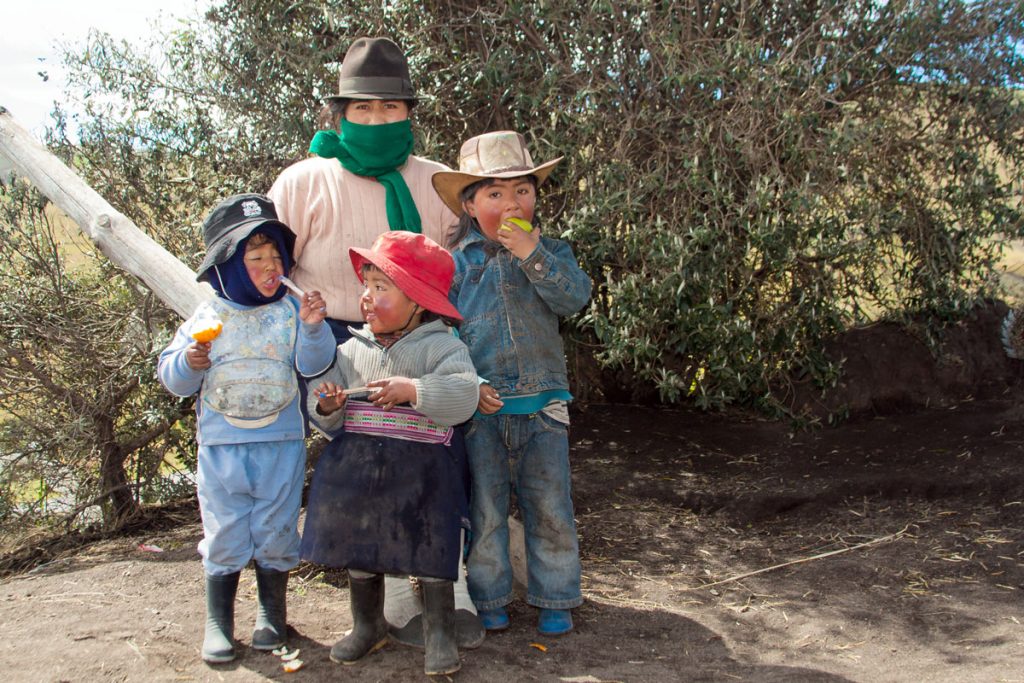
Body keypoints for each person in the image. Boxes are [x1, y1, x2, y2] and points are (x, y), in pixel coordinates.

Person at [267, 36, 484, 649]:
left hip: (424, 336)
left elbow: (457, 263)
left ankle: (454, 586)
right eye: (362, 109)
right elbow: (273, 274)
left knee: (437, 459)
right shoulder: (304, 181)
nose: (376, 118)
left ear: (409, 113)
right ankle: (386, 602)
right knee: (359, 475)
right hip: (337, 340)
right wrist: (309, 343)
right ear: (340, 114)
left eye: (389, 108)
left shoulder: (435, 180)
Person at [157, 194, 336, 663]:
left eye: (275, 256)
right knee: (226, 531)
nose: (269, 265)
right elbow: (174, 380)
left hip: (280, 443)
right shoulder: (208, 314)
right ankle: (219, 623)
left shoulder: (290, 312)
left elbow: (313, 365)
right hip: (221, 447)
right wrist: (191, 362)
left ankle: (270, 618)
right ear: (228, 266)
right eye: (255, 258)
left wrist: (315, 328)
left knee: (276, 529)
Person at [433, 130, 592, 636]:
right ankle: (490, 598)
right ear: (470, 204)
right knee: (487, 511)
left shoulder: (552, 251)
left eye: (522, 190)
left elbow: (574, 298)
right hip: (483, 411)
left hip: (545, 407)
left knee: (550, 507)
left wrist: (533, 253)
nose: (511, 202)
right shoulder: (455, 265)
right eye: (495, 194)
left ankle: (556, 597)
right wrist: (469, 383)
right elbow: (444, 335)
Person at [300, 231, 478, 675]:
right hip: (364, 473)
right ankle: (367, 625)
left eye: (382, 288)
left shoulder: (443, 347)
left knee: (433, 547)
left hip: (425, 475)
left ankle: (439, 633)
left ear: (418, 302)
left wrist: (414, 389)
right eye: (367, 286)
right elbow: (326, 415)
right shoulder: (351, 349)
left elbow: (464, 397)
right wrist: (327, 405)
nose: (367, 298)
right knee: (363, 547)